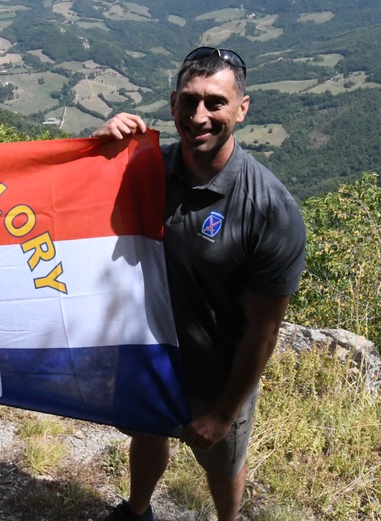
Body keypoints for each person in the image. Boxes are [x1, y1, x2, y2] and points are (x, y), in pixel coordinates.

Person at [93, 47, 306, 521]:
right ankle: (137, 510)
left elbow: (263, 331)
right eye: (189, 102)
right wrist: (100, 151)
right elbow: (72, 207)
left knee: (222, 464)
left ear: (242, 109)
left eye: (215, 102)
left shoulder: (270, 209)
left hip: (217, 375)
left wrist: (224, 414)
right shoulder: (143, 170)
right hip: (150, 356)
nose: (199, 116)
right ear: (172, 105)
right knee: (147, 436)